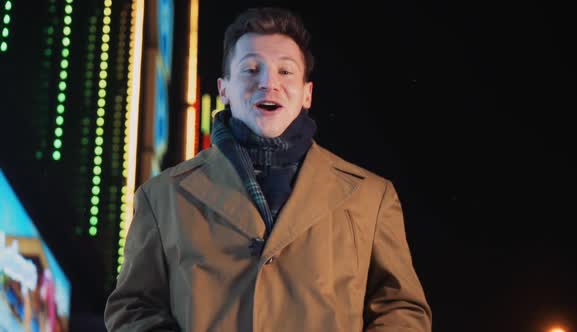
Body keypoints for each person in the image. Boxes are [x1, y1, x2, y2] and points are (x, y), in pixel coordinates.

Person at [104, 7, 431, 331]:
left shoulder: (370, 199)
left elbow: (400, 309)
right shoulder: (163, 198)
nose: (268, 84)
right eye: (250, 69)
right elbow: (133, 309)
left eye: (285, 72)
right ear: (224, 89)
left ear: (307, 94)